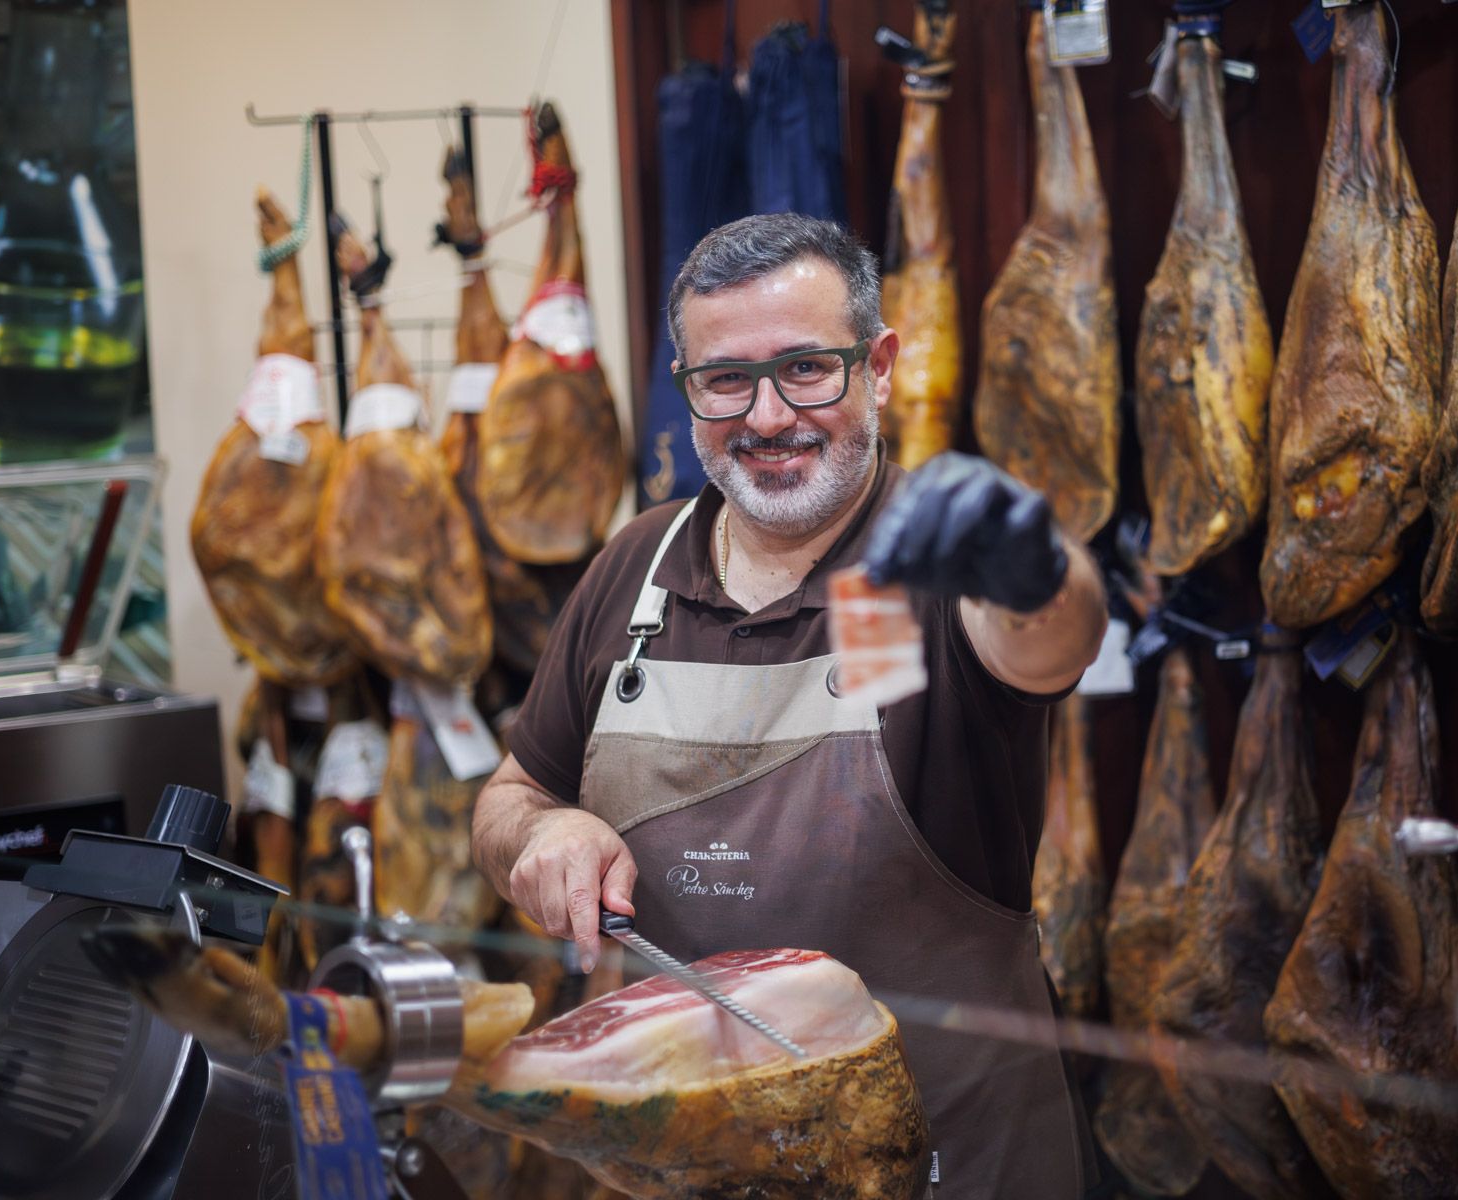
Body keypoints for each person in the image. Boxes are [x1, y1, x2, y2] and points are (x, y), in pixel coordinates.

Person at [472, 212, 1106, 1198]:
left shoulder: (936, 557)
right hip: (697, 1172)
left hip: (952, 1169)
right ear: (686, 390)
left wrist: (1038, 567)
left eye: (807, 368)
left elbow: (1051, 634)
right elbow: (510, 795)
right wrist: (539, 836)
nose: (767, 417)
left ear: (880, 366)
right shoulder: (633, 566)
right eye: (726, 379)